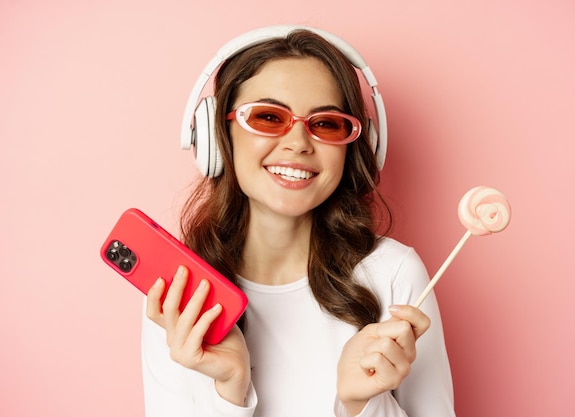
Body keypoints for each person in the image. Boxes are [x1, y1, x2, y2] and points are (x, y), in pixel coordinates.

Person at [141, 26, 455, 417]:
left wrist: (363, 405)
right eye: (269, 117)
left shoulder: (394, 274)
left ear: (355, 144)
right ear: (217, 137)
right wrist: (229, 392)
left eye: (326, 124)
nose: (299, 143)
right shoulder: (179, 293)